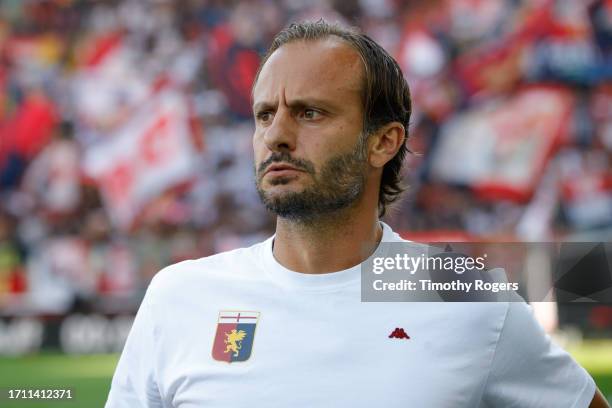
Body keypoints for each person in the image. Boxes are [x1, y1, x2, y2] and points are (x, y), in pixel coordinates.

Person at [106, 20, 609, 407]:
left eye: (310, 113)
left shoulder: (461, 295)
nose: (276, 135)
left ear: (383, 142)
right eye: (265, 114)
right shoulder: (181, 295)